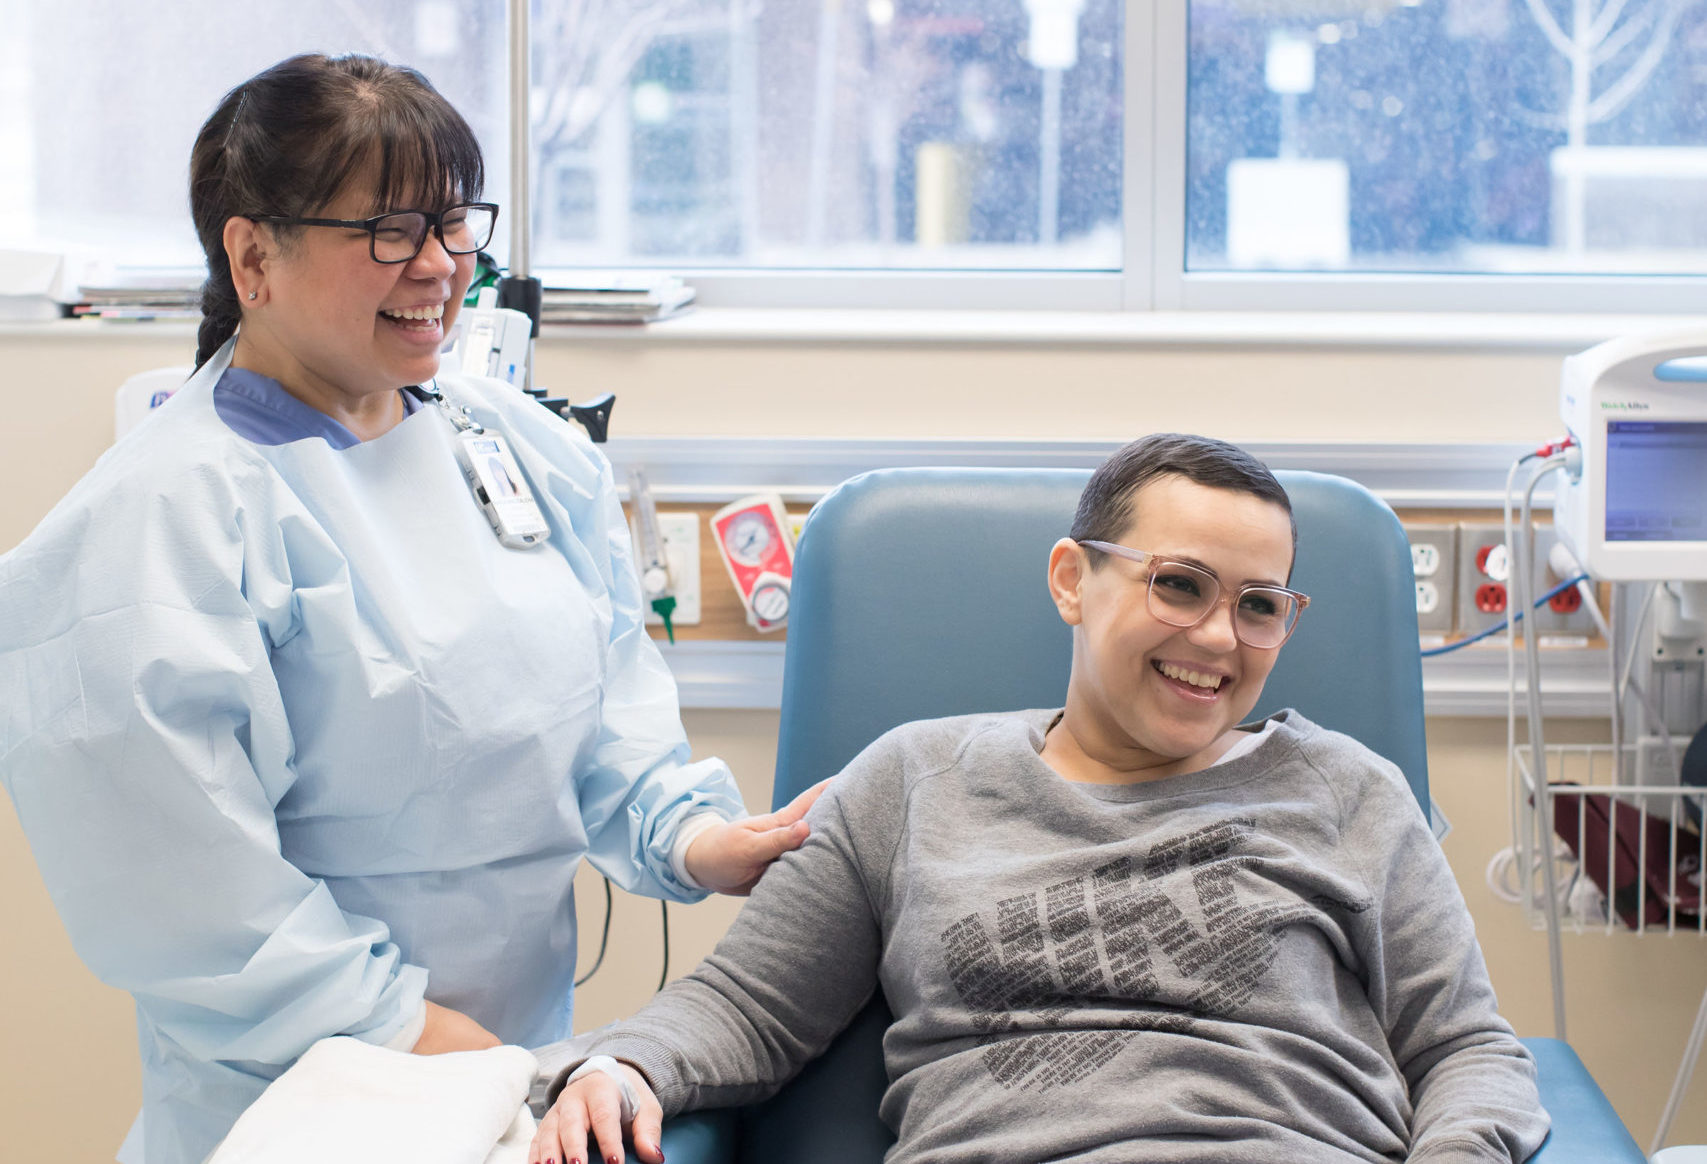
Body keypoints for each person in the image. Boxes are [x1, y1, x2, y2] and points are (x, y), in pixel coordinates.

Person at [0, 54, 820, 1164]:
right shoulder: (153, 527)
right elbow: (190, 902)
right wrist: (425, 1041)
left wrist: (702, 836)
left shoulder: (520, 448)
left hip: (499, 1082)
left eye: (452, 222)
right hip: (298, 1100)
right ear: (254, 255)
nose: (440, 266)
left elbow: (608, 708)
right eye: (389, 230)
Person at [532, 434, 1550, 1164]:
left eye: (1259, 607)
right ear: (1072, 579)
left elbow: (1465, 1050)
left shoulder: (1347, 795)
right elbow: (745, 1009)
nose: (1218, 638)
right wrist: (625, 1071)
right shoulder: (911, 785)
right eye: (1180, 585)